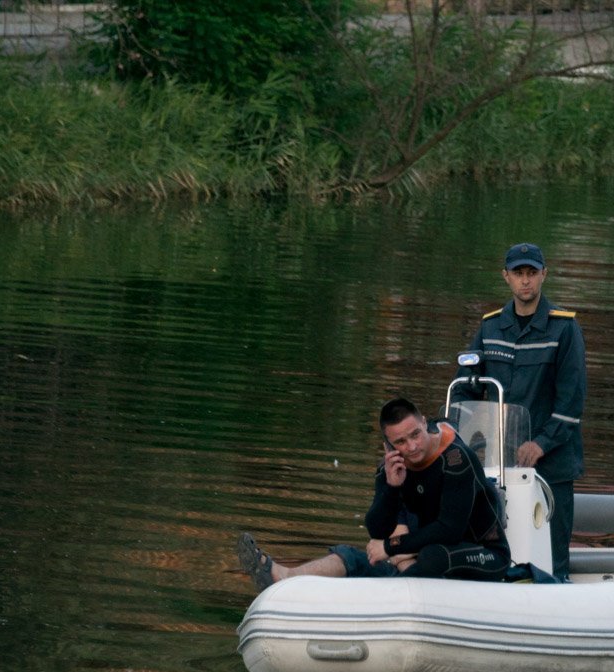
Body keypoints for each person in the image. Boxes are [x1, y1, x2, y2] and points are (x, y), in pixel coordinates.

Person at [237, 397, 510, 591]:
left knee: (434, 555)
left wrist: (393, 549)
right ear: (388, 444)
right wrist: (391, 488)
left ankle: (378, 598)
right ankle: (283, 576)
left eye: (415, 434)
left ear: (424, 423)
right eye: (400, 442)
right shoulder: (391, 465)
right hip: (420, 553)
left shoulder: (456, 459)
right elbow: (377, 528)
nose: (412, 446)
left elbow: (450, 530)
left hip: (485, 554)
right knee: (353, 556)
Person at [452, 242, 586, 581]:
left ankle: (557, 592)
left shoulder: (564, 329)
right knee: (495, 546)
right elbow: (465, 389)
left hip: (551, 465)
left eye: (531, 273)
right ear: (506, 278)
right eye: (518, 273)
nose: (525, 281)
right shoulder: (490, 328)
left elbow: (571, 404)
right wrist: (459, 436)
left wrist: (541, 443)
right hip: (497, 462)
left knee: (552, 557)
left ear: (544, 275)